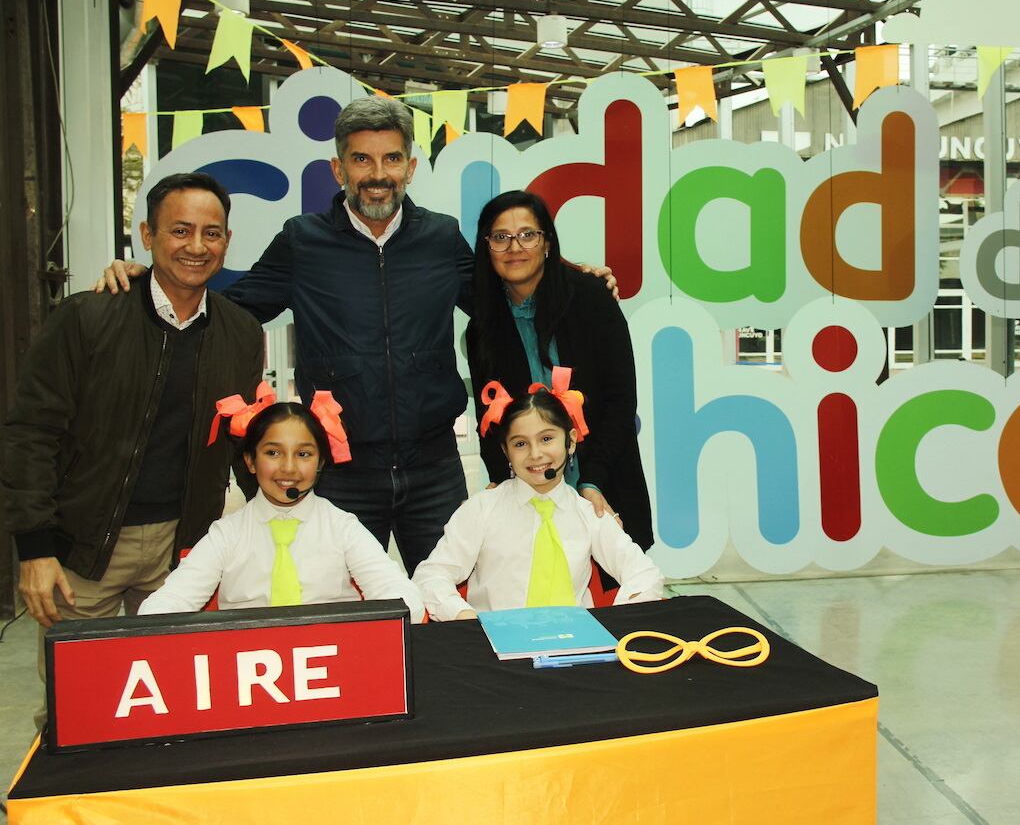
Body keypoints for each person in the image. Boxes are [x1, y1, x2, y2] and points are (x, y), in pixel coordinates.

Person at [100, 99, 618, 575]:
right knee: (342, 608)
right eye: (362, 160)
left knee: (450, 603)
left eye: (391, 159)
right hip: (342, 472)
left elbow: (502, 291)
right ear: (339, 168)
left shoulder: (440, 238)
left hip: (434, 467)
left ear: (410, 168)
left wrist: (573, 276)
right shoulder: (303, 241)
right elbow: (234, 307)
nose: (377, 175)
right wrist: (150, 280)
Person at [2, 172, 264, 631]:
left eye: (212, 233)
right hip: (83, 545)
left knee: (176, 693)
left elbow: (240, 436)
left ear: (227, 241)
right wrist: (36, 547)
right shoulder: (87, 317)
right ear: (147, 235)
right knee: (79, 697)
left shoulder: (241, 332)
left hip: (184, 547)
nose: (196, 246)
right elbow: (31, 433)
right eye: (180, 230)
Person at [468, 190, 653, 554]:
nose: (514, 247)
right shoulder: (482, 330)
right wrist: (501, 482)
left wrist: (593, 480)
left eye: (527, 234)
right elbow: (488, 422)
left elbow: (620, 399)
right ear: (486, 249)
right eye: (500, 238)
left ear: (547, 243)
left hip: (603, 482)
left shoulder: (591, 297)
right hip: (529, 497)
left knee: (614, 599)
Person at [140, 398, 423, 621]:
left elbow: (401, 595)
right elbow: (169, 602)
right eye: (273, 453)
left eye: (303, 454)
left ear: (321, 462)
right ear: (250, 461)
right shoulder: (225, 534)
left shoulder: (342, 527)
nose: (288, 468)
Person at [413, 380, 663, 621]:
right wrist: (464, 617)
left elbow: (644, 573)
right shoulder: (481, 508)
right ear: (505, 451)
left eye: (546, 439)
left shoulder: (588, 513)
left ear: (571, 441)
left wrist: (618, 618)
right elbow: (431, 575)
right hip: (493, 647)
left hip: (577, 648)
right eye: (520, 444)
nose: (535, 454)